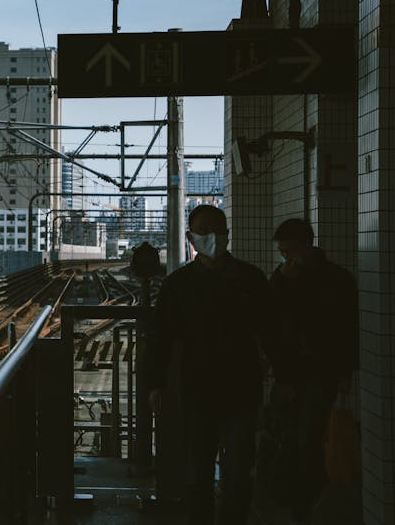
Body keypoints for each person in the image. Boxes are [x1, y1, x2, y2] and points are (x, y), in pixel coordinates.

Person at [148, 205, 288, 525]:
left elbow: (271, 332)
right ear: (191, 238)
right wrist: (155, 382)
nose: (212, 236)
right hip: (199, 389)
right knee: (199, 470)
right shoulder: (178, 285)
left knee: (238, 470)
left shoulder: (250, 280)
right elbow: (162, 337)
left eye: (218, 229)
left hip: (238, 388)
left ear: (227, 234)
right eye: (204, 230)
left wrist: (285, 376)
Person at [269, 218, 358, 525]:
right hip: (288, 371)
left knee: (306, 436)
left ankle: (303, 502)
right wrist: (282, 279)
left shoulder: (336, 280)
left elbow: (347, 328)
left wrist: (345, 370)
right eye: (282, 253)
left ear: (308, 246)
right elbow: (270, 316)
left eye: (291, 251)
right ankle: (294, 496)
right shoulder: (283, 278)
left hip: (321, 371)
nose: (287, 259)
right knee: (284, 432)